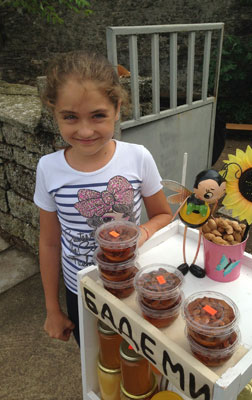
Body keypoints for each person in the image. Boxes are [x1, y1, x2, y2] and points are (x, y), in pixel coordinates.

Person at [34, 50, 172, 346]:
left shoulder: (138, 158)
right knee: (97, 365)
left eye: (98, 115)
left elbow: (163, 215)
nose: (85, 130)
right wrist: (52, 309)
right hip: (80, 289)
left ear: (118, 108)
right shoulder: (48, 168)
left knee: (137, 360)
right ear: (54, 112)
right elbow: (48, 242)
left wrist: (144, 232)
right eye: (70, 117)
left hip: (132, 283)